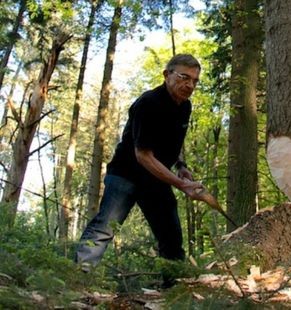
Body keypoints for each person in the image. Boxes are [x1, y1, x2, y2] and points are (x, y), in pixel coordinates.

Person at [75, 54, 205, 274]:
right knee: (104, 227)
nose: (189, 85)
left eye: (194, 80)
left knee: (171, 237)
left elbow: (175, 140)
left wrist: (181, 166)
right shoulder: (148, 103)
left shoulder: (185, 107)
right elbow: (143, 155)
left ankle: (174, 290)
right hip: (126, 175)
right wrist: (181, 185)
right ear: (167, 75)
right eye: (184, 77)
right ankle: (79, 280)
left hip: (157, 180)